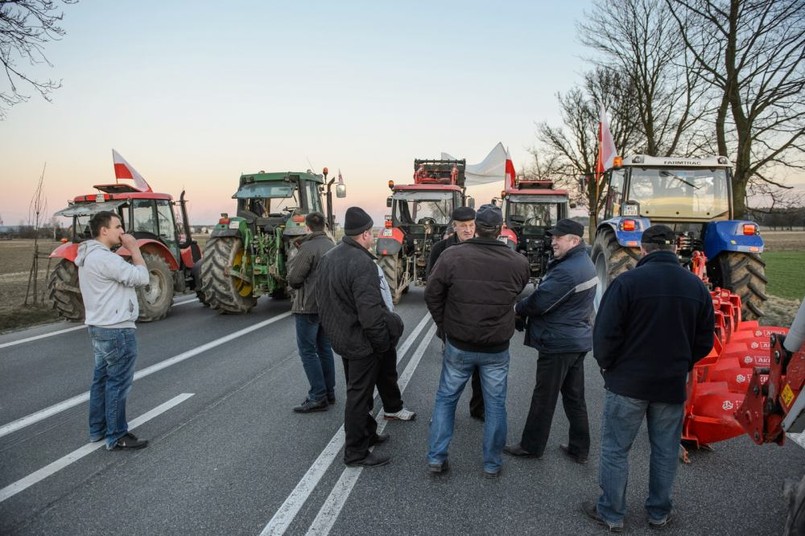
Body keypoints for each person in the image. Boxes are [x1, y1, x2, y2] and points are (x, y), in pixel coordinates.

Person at [582, 224, 714, 532]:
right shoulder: (696, 287)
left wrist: (609, 367)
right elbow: (705, 340)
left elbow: (605, 334)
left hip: (628, 383)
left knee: (616, 449)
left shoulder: (627, 283)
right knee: (666, 450)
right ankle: (658, 512)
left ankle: (612, 513)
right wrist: (681, 363)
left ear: (643, 249)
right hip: (670, 384)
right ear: (674, 249)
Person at [424, 204, 530, 478]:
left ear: (476, 226)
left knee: (446, 400)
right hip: (496, 346)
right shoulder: (518, 262)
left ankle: (437, 458)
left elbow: (432, 294)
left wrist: (444, 326)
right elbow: (517, 292)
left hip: (460, 343)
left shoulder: (452, 256)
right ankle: (492, 463)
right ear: (500, 228)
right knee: (496, 405)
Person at [316, 207, 406, 468]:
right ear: (366, 234)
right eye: (372, 232)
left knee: (358, 391)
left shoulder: (330, 257)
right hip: (361, 342)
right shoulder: (362, 263)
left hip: (343, 337)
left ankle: (368, 433)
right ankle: (356, 452)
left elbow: (322, 300)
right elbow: (371, 314)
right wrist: (381, 344)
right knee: (359, 396)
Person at [504, 219, 597, 464]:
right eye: (553, 236)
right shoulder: (582, 262)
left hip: (559, 343)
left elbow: (540, 301)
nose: (553, 241)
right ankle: (579, 448)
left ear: (574, 241)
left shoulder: (567, 270)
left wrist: (517, 308)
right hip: (576, 340)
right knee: (575, 397)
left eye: (558, 237)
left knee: (544, 397)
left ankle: (531, 446)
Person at [75, 210, 150, 450]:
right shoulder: (106, 258)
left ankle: (97, 430)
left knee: (101, 381)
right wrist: (135, 250)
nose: (122, 231)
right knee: (118, 383)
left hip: (98, 326)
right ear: (103, 230)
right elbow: (142, 277)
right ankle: (117, 435)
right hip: (117, 329)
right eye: (118, 227)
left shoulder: (88, 255)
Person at [426, 206, 485, 421]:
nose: (468, 230)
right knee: (450, 374)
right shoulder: (440, 249)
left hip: (479, 322)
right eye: (463, 226)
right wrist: (443, 324)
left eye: (471, 225)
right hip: (452, 322)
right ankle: (444, 413)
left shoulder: (483, 248)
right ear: (455, 226)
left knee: (480, 371)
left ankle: (479, 408)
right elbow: (432, 289)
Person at [287, 212, 336, 413]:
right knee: (324, 349)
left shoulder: (307, 248)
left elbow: (295, 279)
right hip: (326, 306)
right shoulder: (332, 247)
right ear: (324, 225)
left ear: (307, 227)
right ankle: (329, 392)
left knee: (308, 351)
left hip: (307, 306)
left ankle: (317, 396)